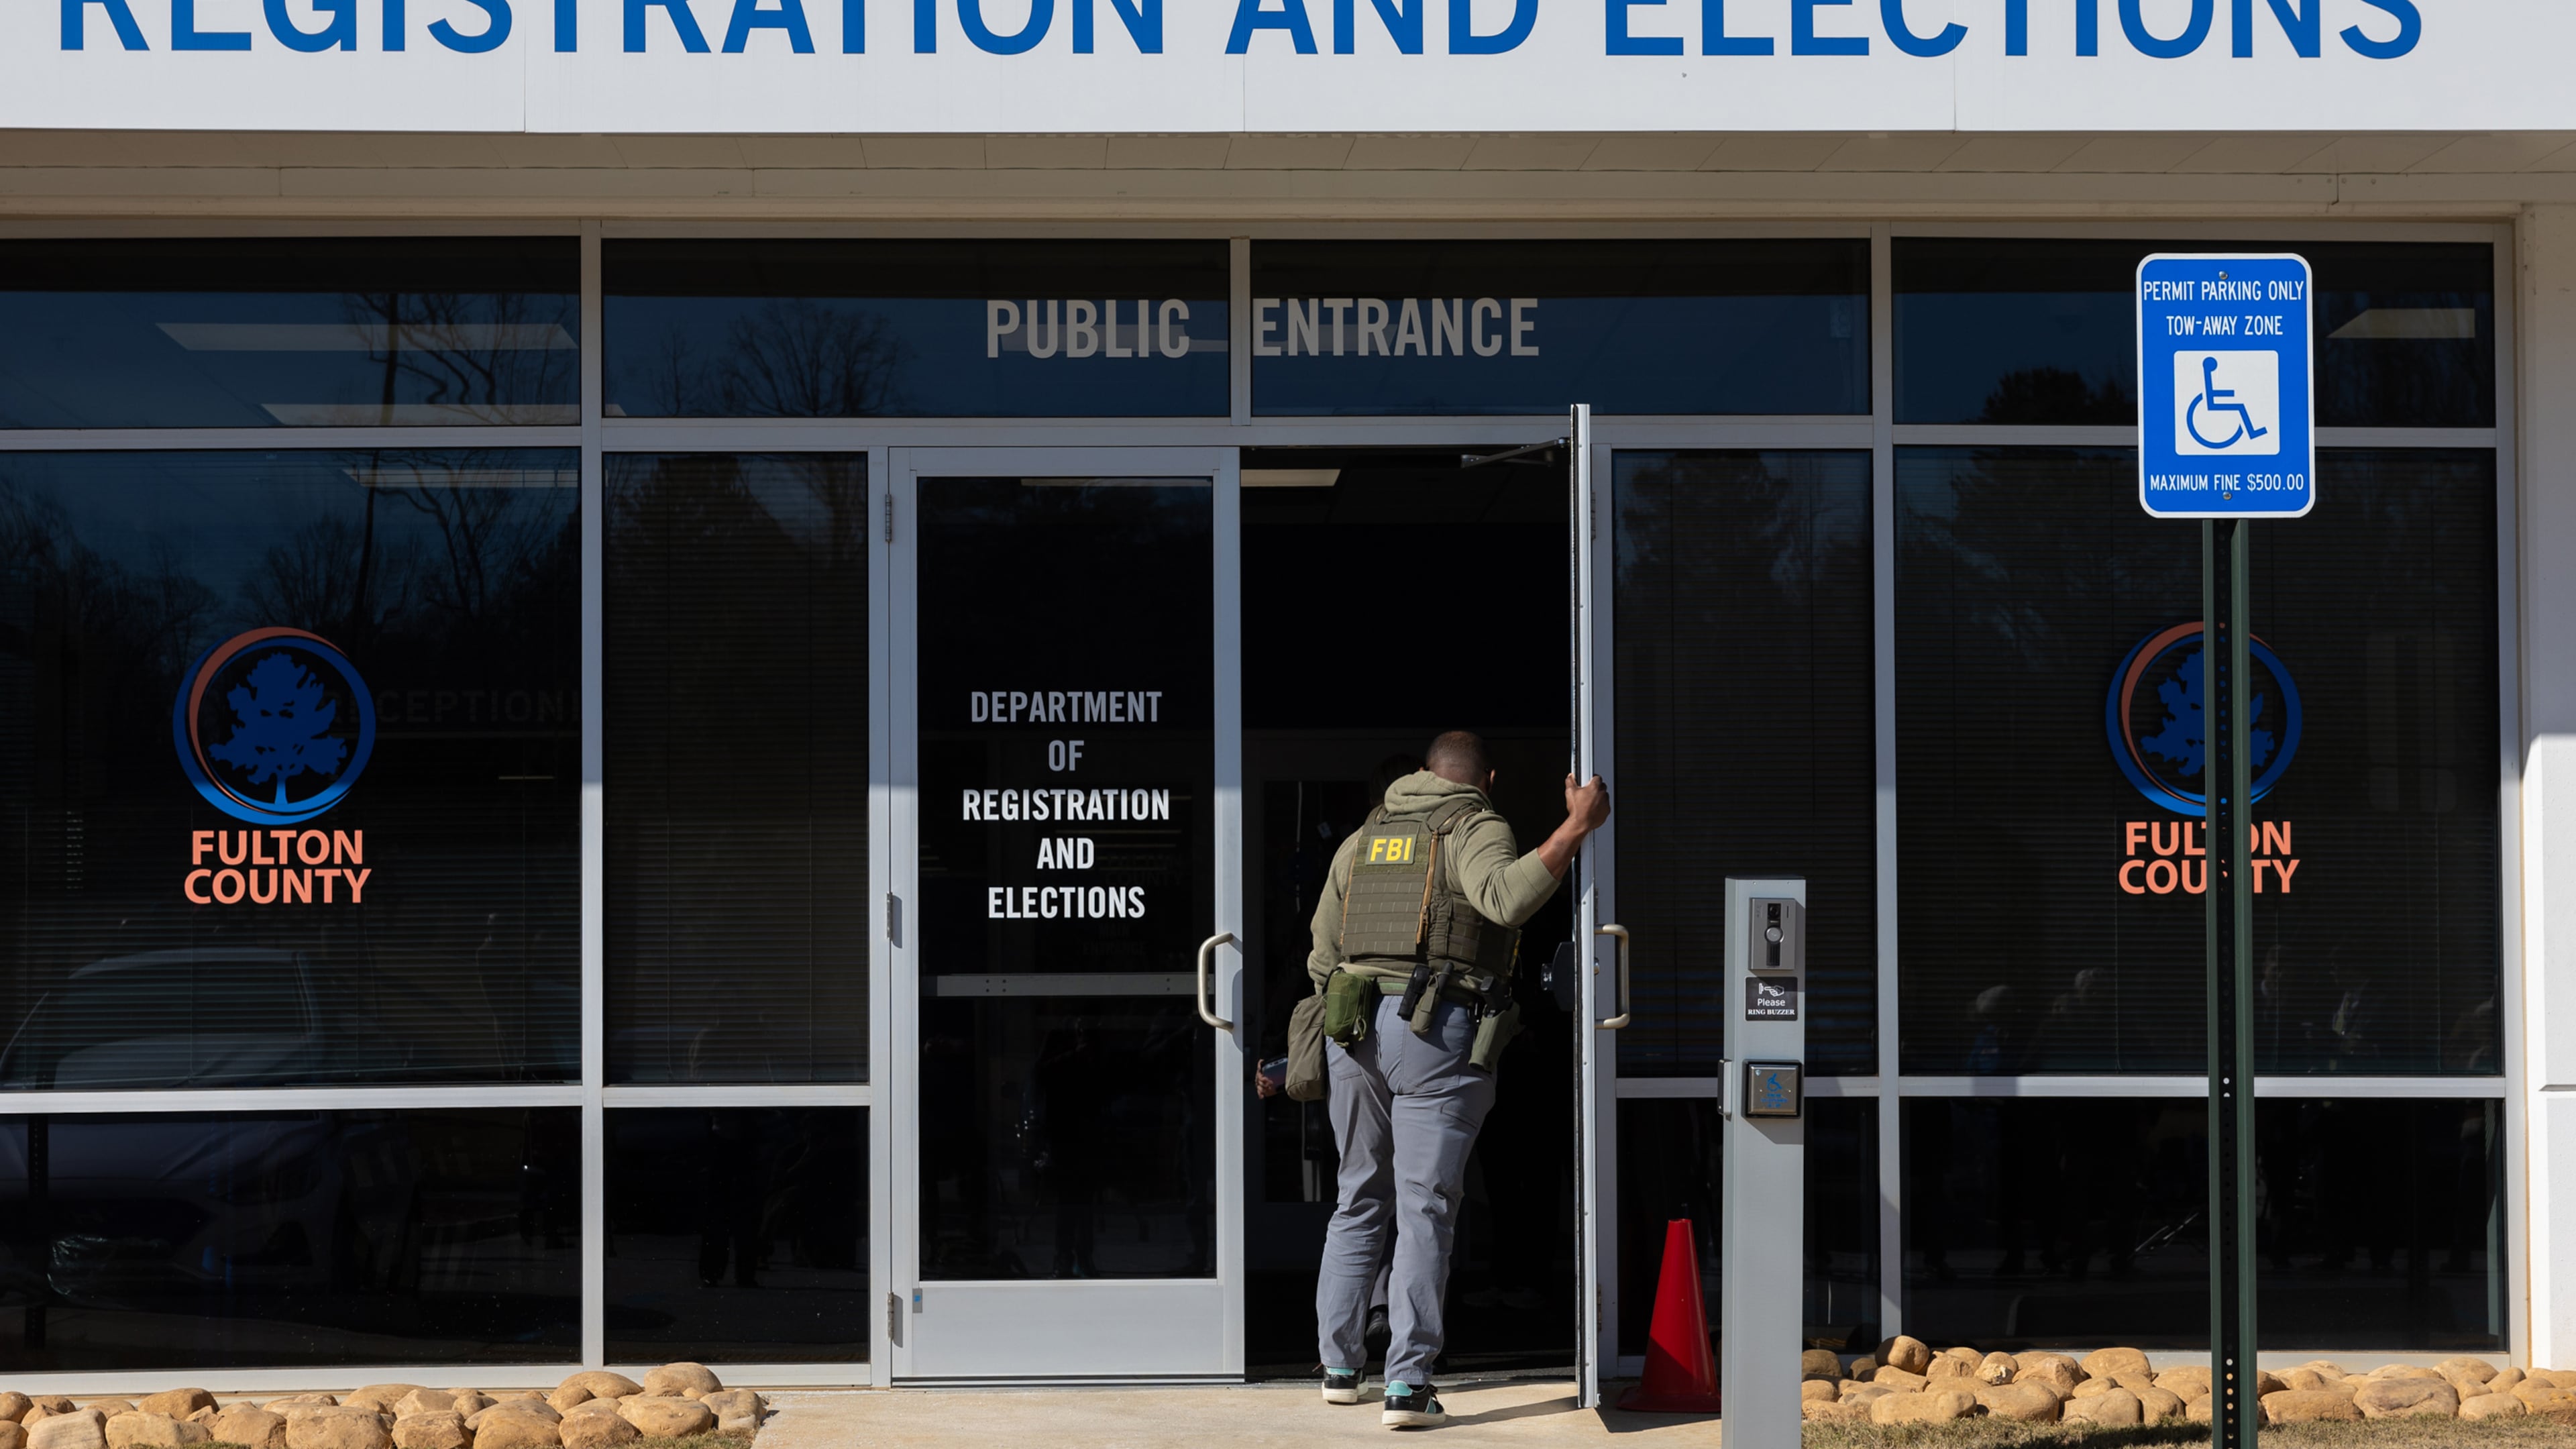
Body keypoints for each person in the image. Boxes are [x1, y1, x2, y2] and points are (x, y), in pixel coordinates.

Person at [1306, 730, 1610, 1428]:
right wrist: (1575, 826)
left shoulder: (1365, 836)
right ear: (1488, 779)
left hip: (1351, 1029)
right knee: (1425, 1206)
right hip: (1433, 1029)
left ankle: (1340, 1366)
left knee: (1357, 1199)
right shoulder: (1475, 825)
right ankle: (1407, 1385)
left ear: (1421, 775)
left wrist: (1363, 1006)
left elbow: (1323, 954)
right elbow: (1504, 899)